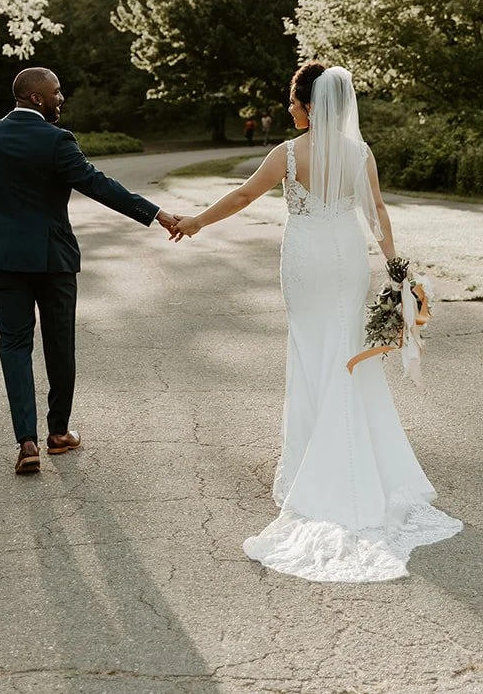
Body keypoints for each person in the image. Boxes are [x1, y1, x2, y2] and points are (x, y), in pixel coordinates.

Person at [173, 61, 461, 581]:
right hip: (347, 257)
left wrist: (195, 222)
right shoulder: (359, 152)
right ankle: (357, 460)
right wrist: (396, 270)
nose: (288, 108)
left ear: (309, 105)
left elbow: (242, 196)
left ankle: (316, 466)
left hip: (306, 259)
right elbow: (376, 211)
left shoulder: (289, 153)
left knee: (312, 350)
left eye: (292, 100)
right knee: (347, 348)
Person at [0, 67, 185, 475]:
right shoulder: (56, 140)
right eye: (56, 92)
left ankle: (26, 441)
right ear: (36, 98)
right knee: (58, 341)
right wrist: (156, 213)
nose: (61, 98)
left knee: (14, 345)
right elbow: (98, 185)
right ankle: (58, 433)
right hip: (53, 259)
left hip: (3, 259)